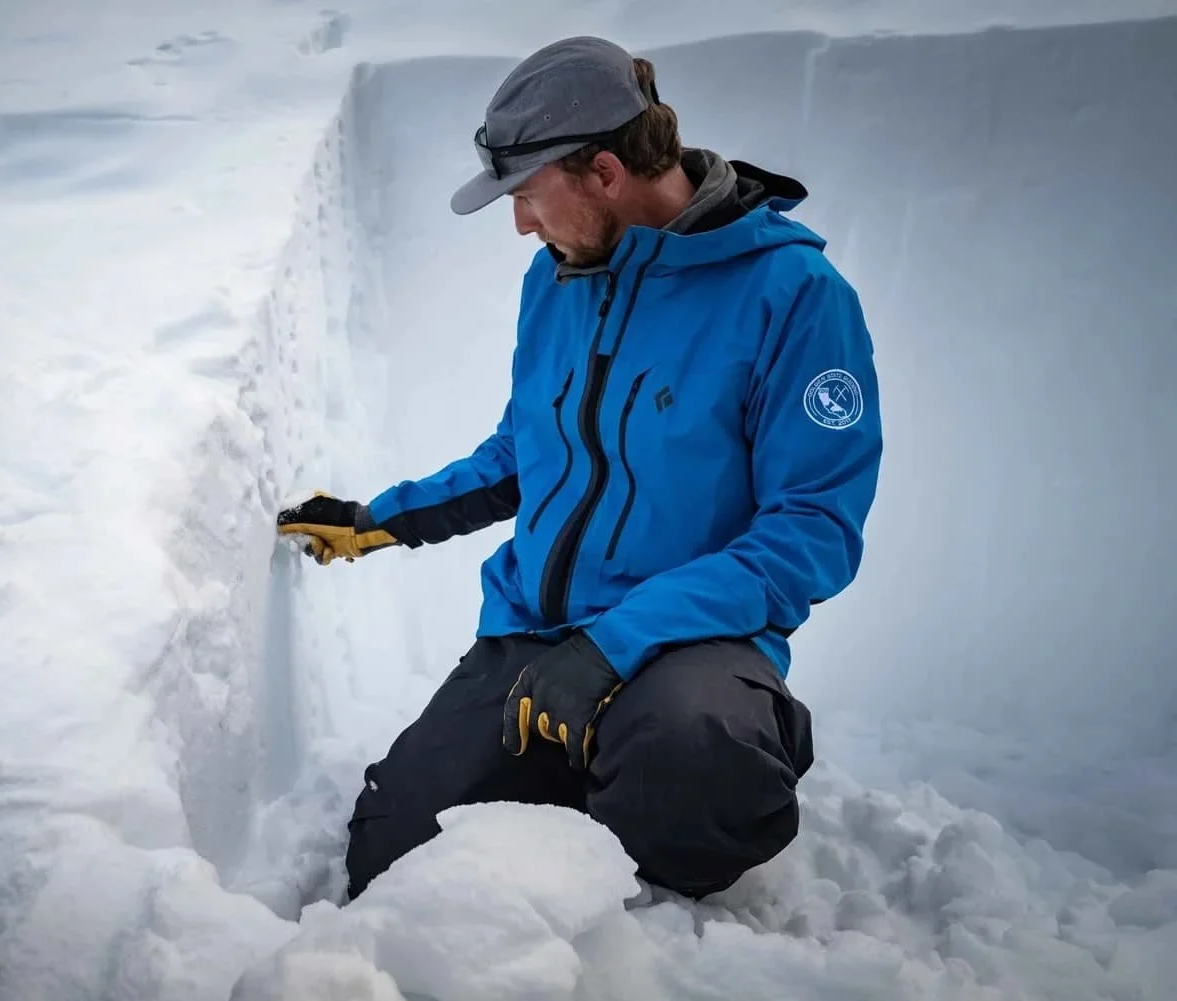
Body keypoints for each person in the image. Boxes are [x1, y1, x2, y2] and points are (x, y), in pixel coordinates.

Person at [276, 35, 883, 902]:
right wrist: (385, 517)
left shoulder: (793, 295)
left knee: (696, 758)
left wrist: (614, 645)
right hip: (533, 637)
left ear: (604, 172)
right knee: (393, 864)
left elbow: (811, 529)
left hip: (686, 647)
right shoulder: (560, 276)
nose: (521, 223)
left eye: (527, 195)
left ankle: (648, 872)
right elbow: (528, 453)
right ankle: (581, 784)